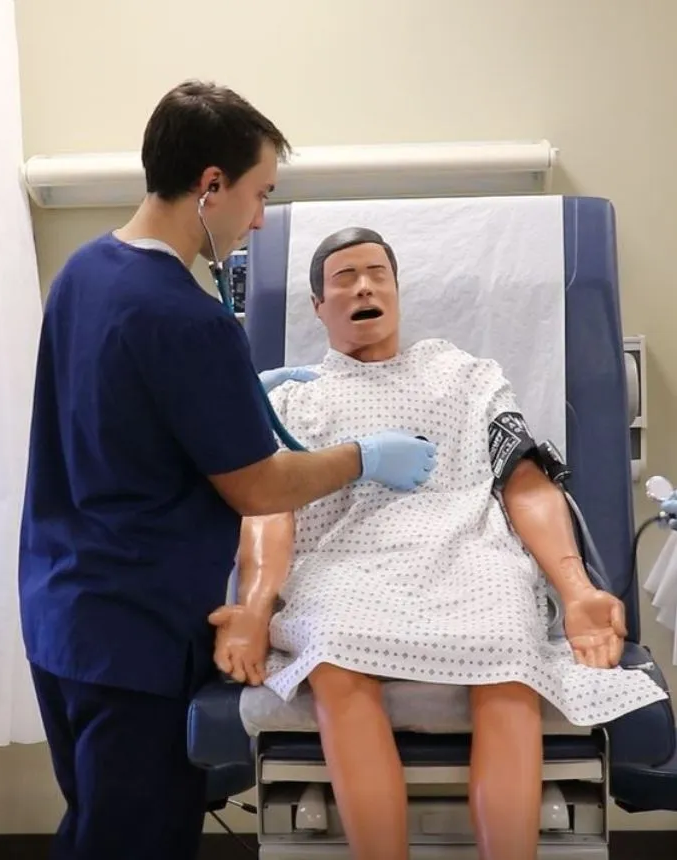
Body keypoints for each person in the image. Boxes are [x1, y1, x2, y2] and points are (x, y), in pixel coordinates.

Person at [17, 84, 438, 860]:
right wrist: (365, 457)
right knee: (133, 841)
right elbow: (259, 487)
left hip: (60, 610)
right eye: (258, 194)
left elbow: (121, 412)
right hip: (134, 634)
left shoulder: (84, 273)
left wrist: (240, 396)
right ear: (211, 185)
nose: (259, 219)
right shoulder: (188, 316)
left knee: (91, 824)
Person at [208, 227, 669, 860]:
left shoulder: (467, 377)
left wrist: (578, 588)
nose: (364, 285)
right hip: (346, 560)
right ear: (318, 307)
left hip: (467, 550)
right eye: (343, 278)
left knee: (508, 646)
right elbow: (270, 508)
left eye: (377, 274)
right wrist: (255, 606)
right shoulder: (294, 400)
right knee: (336, 651)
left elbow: (526, 485)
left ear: (396, 291)